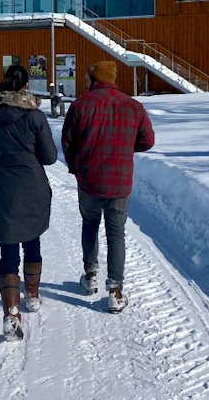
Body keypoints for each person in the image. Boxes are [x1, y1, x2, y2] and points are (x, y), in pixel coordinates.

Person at [61, 59, 155, 313]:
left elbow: (68, 143)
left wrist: (76, 167)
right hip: (119, 181)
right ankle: (115, 290)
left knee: (90, 225)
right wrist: (124, 147)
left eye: (87, 78)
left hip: (89, 180)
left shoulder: (80, 106)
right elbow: (147, 141)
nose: (84, 82)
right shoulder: (133, 107)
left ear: (95, 79)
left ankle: (90, 275)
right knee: (116, 234)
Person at [0, 64, 57, 340]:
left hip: (3, 187)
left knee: (8, 251)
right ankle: (32, 295)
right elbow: (50, 157)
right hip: (32, 186)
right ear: (25, 86)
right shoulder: (34, 115)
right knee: (32, 239)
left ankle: (11, 313)